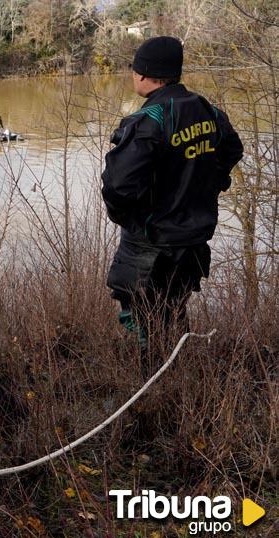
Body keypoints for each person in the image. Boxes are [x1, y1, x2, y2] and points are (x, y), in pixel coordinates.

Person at [102, 36, 243, 357]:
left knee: (145, 323)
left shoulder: (147, 122)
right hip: (193, 238)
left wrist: (132, 219)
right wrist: (207, 185)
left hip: (153, 245)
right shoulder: (208, 110)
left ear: (142, 74)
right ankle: (179, 376)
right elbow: (233, 149)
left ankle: (153, 391)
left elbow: (117, 188)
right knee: (175, 310)